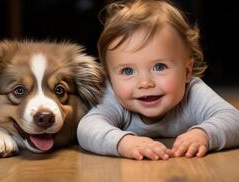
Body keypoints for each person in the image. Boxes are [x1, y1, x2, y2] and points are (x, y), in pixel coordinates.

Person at [77, 0, 239, 160]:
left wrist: (204, 134)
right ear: (110, 78)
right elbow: (87, 128)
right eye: (127, 70)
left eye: (159, 67)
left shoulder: (193, 93)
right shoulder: (115, 98)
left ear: (187, 71)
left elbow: (234, 120)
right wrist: (123, 142)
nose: (145, 83)